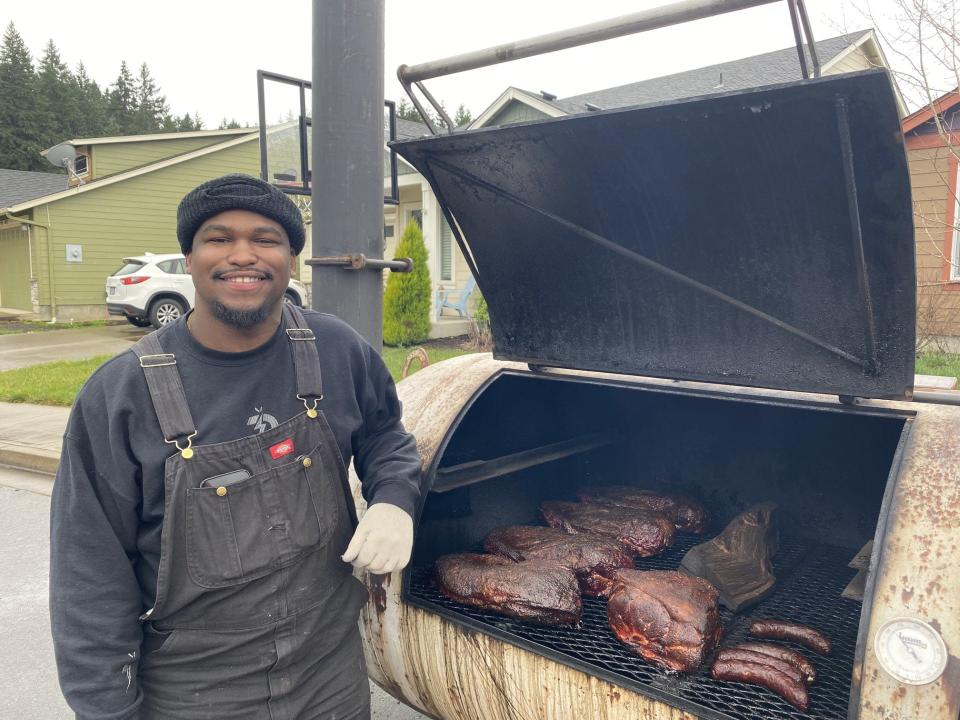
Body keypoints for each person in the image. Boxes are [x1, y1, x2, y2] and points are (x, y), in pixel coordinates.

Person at [49, 174, 422, 719]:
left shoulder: (336, 348)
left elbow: (387, 435)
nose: (243, 255)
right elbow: (89, 575)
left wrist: (394, 498)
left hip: (330, 677)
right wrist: (107, 710)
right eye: (219, 238)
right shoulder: (121, 394)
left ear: (292, 257)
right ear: (190, 256)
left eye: (266, 239)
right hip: (196, 691)